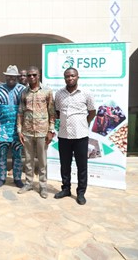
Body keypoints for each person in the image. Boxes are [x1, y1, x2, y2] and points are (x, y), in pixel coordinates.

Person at [54, 67, 96, 205]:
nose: (70, 78)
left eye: (72, 76)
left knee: (82, 166)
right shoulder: (59, 94)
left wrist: (84, 123)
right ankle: (66, 189)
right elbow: (58, 112)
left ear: (78, 77)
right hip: (64, 135)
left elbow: (92, 112)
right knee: (65, 165)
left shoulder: (86, 93)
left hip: (81, 136)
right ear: (64, 78)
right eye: (67, 76)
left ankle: (81, 193)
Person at [17, 66, 56, 199]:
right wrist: (19, 130)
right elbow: (20, 112)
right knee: (28, 160)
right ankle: (28, 183)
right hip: (27, 131)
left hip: (42, 132)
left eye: (34, 75)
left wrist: (51, 130)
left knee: (42, 161)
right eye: (29, 75)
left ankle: (43, 186)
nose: (31, 77)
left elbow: (52, 113)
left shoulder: (47, 91)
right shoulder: (24, 92)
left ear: (39, 75)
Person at [0, 65, 26, 188]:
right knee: (2, 154)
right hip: (1, 127)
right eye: (9, 76)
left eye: (14, 76)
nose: (11, 78)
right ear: (5, 76)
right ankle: (2, 177)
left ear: (17, 77)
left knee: (18, 154)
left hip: (18, 128)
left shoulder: (23, 90)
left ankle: (17, 178)